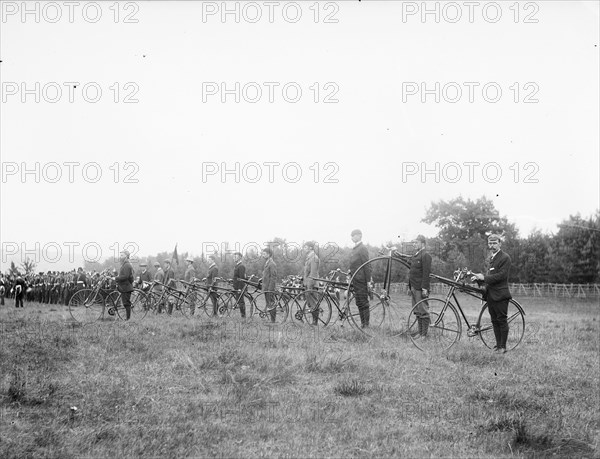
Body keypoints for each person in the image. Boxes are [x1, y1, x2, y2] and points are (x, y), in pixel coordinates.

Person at [471, 234, 512, 353]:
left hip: (501, 295)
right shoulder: (492, 258)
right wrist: (478, 279)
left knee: (502, 320)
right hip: (491, 295)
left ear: (500, 243)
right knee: (494, 321)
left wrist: (484, 277)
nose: (492, 245)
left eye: (494, 243)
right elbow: (490, 277)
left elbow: (501, 276)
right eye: (490, 243)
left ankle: (503, 347)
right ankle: (498, 345)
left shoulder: (505, 258)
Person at [408, 235, 432, 337]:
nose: (414, 244)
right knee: (417, 311)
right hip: (414, 287)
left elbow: (426, 273)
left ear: (422, 243)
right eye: (414, 243)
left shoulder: (425, 255)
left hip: (420, 288)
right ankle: (420, 332)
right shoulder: (416, 256)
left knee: (423, 311)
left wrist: (425, 288)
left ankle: (424, 335)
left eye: (416, 242)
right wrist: (410, 287)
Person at [349, 229, 372, 328]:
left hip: (361, 279)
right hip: (355, 279)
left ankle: (366, 325)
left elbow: (366, 265)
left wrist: (368, 281)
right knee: (358, 302)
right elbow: (355, 264)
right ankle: (363, 324)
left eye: (353, 235)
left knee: (363, 302)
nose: (352, 237)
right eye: (351, 236)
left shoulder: (362, 248)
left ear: (359, 236)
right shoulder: (355, 248)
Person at [303, 241, 320, 325]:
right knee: (310, 303)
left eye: (305, 247)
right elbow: (307, 271)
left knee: (314, 304)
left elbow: (313, 274)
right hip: (308, 284)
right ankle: (314, 321)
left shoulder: (314, 258)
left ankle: (315, 322)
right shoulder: (309, 258)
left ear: (310, 248)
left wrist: (309, 285)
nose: (304, 249)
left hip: (312, 284)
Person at [115, 250, 134, 320]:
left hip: (126, 287)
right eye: (120, 255)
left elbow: (125, 276)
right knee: (125, 303)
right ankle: (127, 318)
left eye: (122, 255)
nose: (120, 257)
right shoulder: (124, 264)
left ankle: (128, 319)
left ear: (126, 256)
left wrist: (116, 278)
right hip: (124, 287)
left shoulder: (127, 265)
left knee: (126, 304)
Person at [262, 247, 278, 322]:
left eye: (264, 254)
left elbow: (273, 277)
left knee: (271, 304)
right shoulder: (267, 263)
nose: (263, 255)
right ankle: (272, 320)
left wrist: (270, 289)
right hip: (266, 287)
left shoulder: (272, 264)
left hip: (269, 288)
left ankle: (273, 320)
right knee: (268, 304)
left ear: (268, 254)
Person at [232, 252, 247, 318]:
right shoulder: (237, 265)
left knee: (241, 302)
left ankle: (243, 317)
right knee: (239, 301)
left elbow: (242, 278)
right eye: (234, 257)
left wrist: (240, 288)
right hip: (236, 286)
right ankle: (242, 316)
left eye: (236, 256)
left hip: (239, 287)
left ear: (240, 257)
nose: (234, 258)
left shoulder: (241, 266)